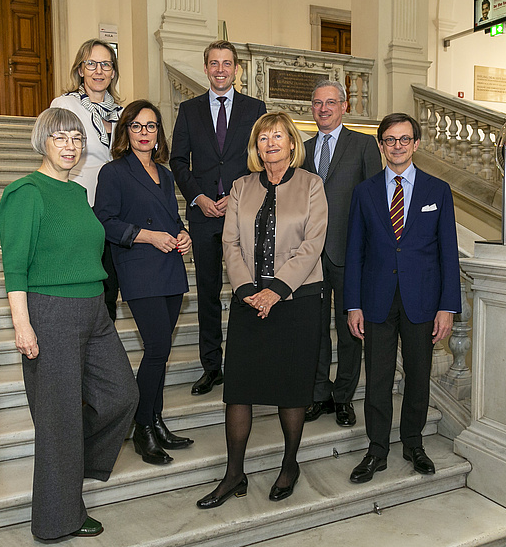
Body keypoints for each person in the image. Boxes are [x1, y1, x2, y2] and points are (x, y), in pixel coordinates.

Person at [0, 107, 138, 540]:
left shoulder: (78, 193)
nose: (70, 146)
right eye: (60, 138)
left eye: (76, 138)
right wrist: (23, 326)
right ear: (43, 141)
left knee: (122, 395)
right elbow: (15, 268)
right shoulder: (25, 192)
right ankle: (57, 520)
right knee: (59, 419)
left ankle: (71, 460)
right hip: (50, 312)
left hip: (93, 309)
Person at [196, 112, 327, 509]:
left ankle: (289, 465)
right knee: (238, 390)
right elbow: (230, 242)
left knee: (291, 389)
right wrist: (249, 289)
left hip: (297, 299)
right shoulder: (240, 186)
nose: (271, 142)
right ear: (256, 147)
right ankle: (234, 473)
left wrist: (278, 290)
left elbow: (313, 242)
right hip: (247, 299)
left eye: (278, 136)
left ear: (291, 143)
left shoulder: (311, 184)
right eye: (263, 137)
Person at [344, 112, 461, 483]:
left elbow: (448, 253)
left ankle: (414, 443)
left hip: (422, 300)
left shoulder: (437, 191)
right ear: (380, 146)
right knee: (377, 378)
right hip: (376, 299)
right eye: (390, 140)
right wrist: (353, 304)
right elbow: (354, 252)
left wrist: (448, 306)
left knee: (418, 375)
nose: (397, 146)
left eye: (404, 139)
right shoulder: (364, 192)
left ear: (416, 144)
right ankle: (376, 449)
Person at [94, 100, 194, 466]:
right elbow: (104, 221)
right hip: (139, 268)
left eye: (151, 127)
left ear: (159, 134)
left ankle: (155, 420)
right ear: (125, 132)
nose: (144, 133)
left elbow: (173, 218)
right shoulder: (114, 172)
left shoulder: (166, 174)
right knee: (156, 349)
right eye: (136, 126)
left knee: (162, 351)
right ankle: (141, 428)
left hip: (170, 268)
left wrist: (184, 234)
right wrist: (147, 236)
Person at [170, 40, 267, 396]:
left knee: (250, 289)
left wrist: (237, 196)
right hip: (204, 216)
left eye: (227, 63)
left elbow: (263, 156)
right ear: (206, 68)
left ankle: (250, 363)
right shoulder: (189, 109)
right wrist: (199, 197)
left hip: (245, 215)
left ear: (236, 69)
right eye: (214, 63)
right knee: (208, 293)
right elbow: (178, 160)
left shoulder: (256, 108)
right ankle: (212, 367)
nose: (221, 69)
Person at [302, 80, 381, 427]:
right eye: (318, 103)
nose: (324, 109)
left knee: (350, 329)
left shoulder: (363, 145)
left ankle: (344, 396)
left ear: (344, 106)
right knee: (314, 329)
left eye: (330, 102)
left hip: (349, 254)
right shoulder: (300, 149)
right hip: (308, 256)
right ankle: (318, 392)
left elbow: (375, 203)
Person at [50, 38, 122, 320]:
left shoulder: (120, 112)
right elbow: (55, 154)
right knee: (82, 282)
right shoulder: (65, 105)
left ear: (113, 71)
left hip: (112, 208)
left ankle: (103, 347)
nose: (99, 70)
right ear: (80, 69)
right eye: (91, 63)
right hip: (78, 204)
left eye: (106, 64)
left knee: (109, 285)